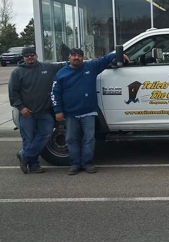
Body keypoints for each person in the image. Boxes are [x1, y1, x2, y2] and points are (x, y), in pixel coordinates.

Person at [51, 48, 128, 175]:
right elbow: (55, 93)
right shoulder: (61, 73)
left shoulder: (91, 67)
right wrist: (57, 110)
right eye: (74, 55)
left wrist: (118, 54)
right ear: (69, 58)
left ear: (83, 57)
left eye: (79, 56)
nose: (76, 58)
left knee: (89, 139)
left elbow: (105, 59)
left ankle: (87, 163)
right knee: (71, 139)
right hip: (70, 113)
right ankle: (75, 164)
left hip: (88, 112)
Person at [8, 46, 65, 174]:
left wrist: (87, 61)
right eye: (27, 55)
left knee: (46, 134)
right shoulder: (17, 72)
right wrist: (21, 108)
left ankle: (24, 155)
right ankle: (33, 164)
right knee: (28, 140)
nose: (30, 57)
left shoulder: (47, 68)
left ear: (36, 55)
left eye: (32, 54)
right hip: (27, 113)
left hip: (44, 112)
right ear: (23, 58)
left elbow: (65, 64)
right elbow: (13, 93)